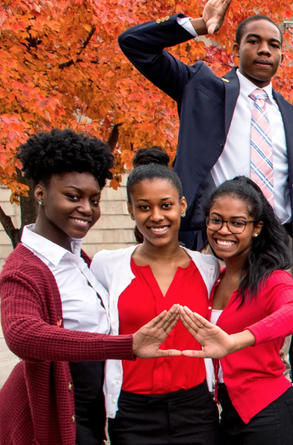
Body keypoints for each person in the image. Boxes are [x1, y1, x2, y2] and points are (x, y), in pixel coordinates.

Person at [119, 0, 293, 399]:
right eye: (254, 41)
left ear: (283, 54)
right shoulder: (203, 88)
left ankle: (277, 411)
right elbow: (134, 44)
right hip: (211, 237)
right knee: (199, 331)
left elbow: (292, 189)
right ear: (237, 48)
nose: (265, 50)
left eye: (274, 44)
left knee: (274, 340)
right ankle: (204, 402)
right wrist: (195, 25)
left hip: (275, 239)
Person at [0, 129, 182, 445]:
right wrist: (125, 346)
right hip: (48, 409)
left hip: (87, 408)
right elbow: (22, 335)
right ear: (39, 193)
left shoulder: (79, 257)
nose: (86, 209)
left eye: (94, 200)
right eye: (73, 197)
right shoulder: (25, 266)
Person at [90, 148, 220, 444]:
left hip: (195, 409)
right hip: (133, 413)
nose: (156, 216)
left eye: (166, 205)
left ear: (182, 206)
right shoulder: (106, 266)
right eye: (144, 207)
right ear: (130, 210)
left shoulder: (209, 268)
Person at [174, 177, 293, 445]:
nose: (223, 230)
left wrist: (236, 340)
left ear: (257, 228)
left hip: (270, 412)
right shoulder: (213, 278)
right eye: (216, 220)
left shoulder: (270, 278)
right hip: (229, 412)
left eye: (237, 223)